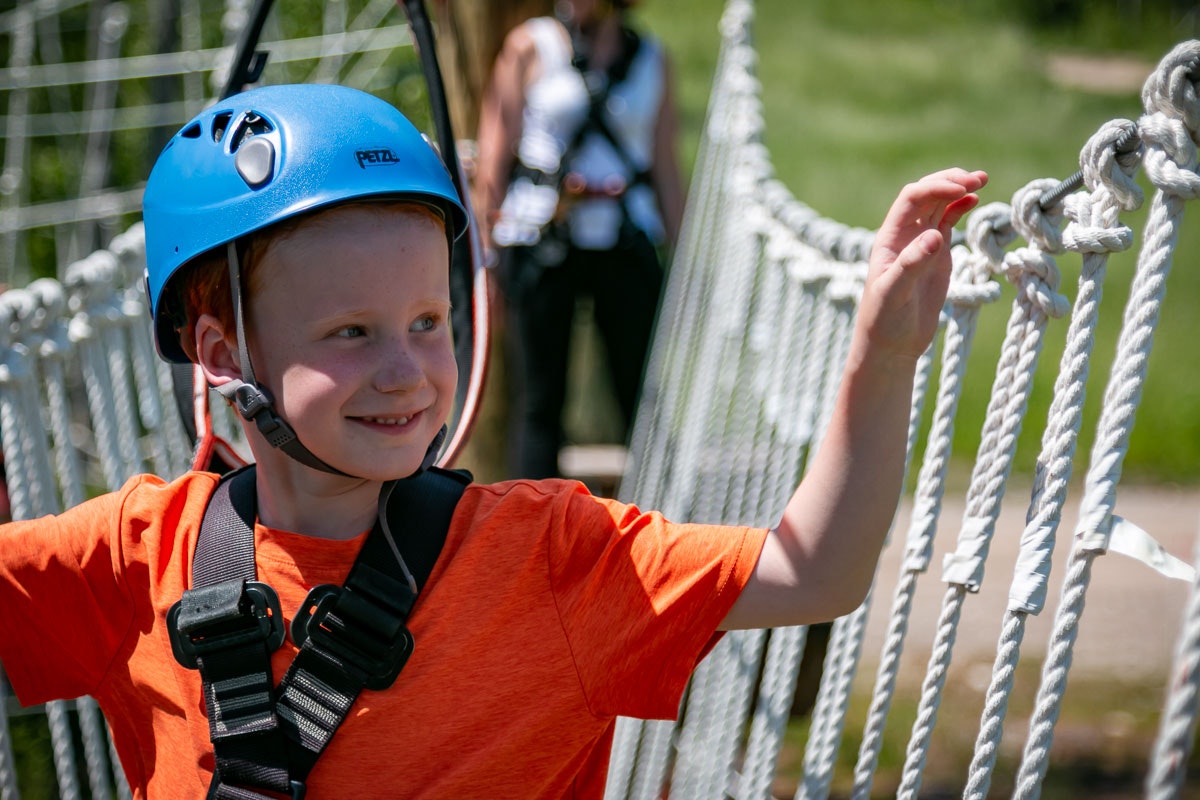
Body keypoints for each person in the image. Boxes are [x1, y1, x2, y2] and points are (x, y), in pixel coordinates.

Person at [0, 81, 985, 799]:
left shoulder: (553, 559)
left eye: (429, 321)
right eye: (351, 332)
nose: (407, 369)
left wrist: (883, 355)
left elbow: (817, 571)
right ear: (220, 351)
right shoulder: (133, 556)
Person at [475, 0, 685, 479]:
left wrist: (684, 259)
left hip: (626, 238)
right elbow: (494, 156)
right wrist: (485, 254)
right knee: (539, 400)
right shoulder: (530, 46)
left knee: (642, 395)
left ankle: (670, 524)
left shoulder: (653, 58)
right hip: (540, 236)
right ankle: (531, 534)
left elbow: (665, 165)